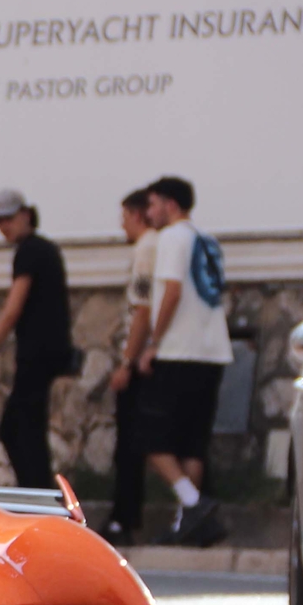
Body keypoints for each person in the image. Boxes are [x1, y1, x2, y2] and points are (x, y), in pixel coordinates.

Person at [134, 175, 232, 546]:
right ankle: (190, 524)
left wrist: (154, 343)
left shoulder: (172, 237)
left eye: (154, 204)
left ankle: (193, 501)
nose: (149, 212)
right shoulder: (207, 239)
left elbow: (171, 291)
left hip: (178, 350)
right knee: (192, 442)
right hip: (212, 352)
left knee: (151, 437)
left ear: (171, 205)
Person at [0, 188, 71, 487]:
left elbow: (11, 310)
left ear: (25, 214)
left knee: (19, 429)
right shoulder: (44, 249)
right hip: (43, 354)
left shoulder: (30, 251)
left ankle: (40, 497)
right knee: (23, 428)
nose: (4, 227)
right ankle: (40, 493)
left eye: (8, 219)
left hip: (38, 354)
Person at [100, 188, 157, 544]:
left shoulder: (146, 248)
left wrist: (126, 361)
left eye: (124, 217)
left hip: (137, 360)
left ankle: (124, 517)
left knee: (130, 444)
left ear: (137, 215)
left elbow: (143, 309)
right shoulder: (153, 246)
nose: (122, 225)